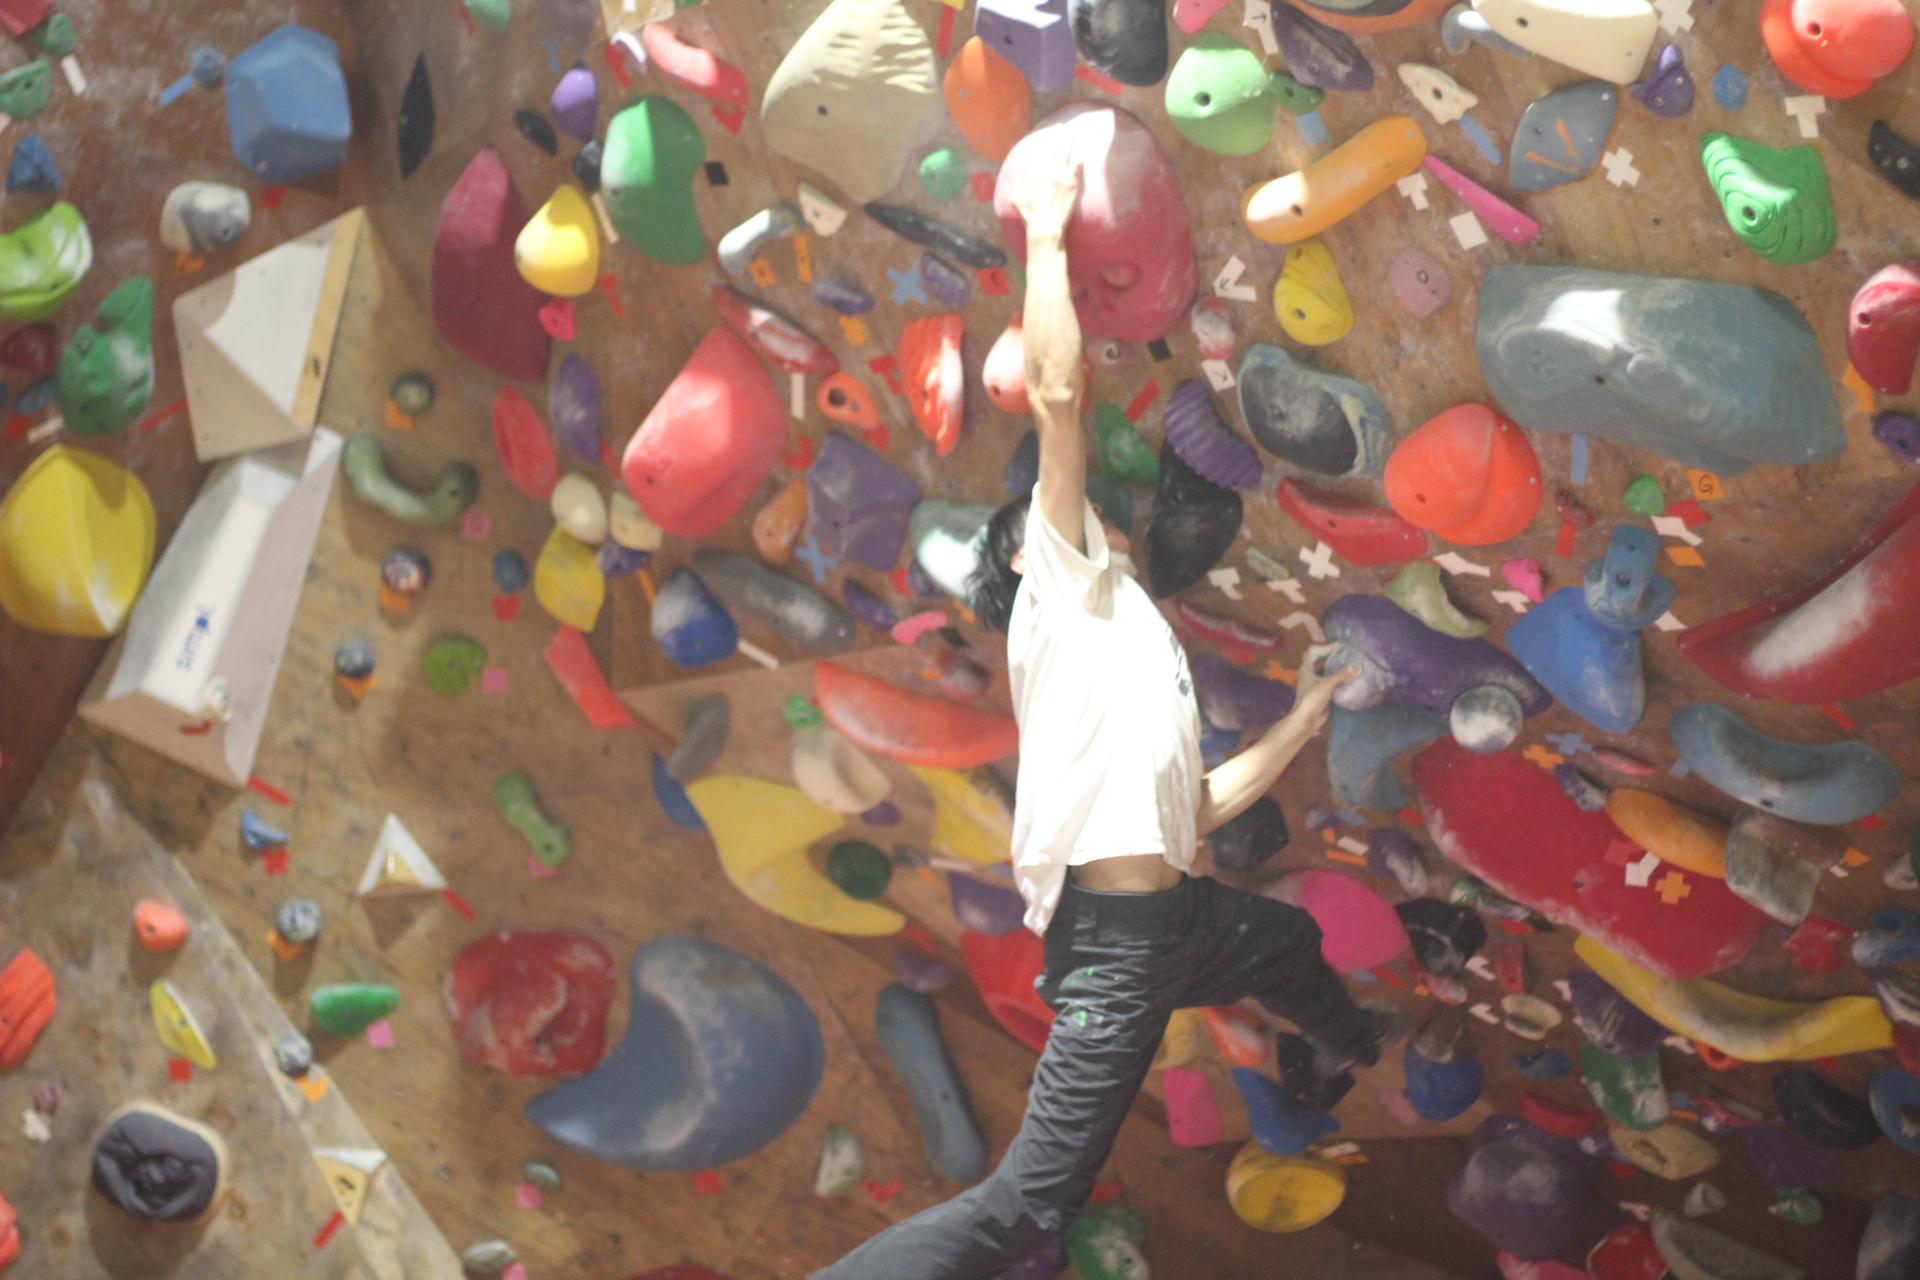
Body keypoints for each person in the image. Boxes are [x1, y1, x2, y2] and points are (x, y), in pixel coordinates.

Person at [812, 142, 1389, 1280]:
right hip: (1119, 954)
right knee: (1031, 1203)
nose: (1089, 508)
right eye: (1063, 512)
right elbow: (1057, 395)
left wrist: (1301, 720)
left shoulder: (1118, 626)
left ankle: (1344, 1048)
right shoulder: (1063, 589)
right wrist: (1043, 231)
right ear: (1032, 553)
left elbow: (1193, 806)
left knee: (1288, 943)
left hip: (1172, 918)